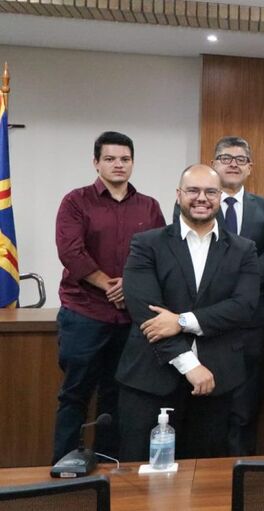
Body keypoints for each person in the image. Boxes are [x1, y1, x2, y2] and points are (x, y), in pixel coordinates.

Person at [116, 164, 259, 461]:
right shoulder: (147, 244)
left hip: (216, 384)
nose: (201, 198)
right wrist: (189, 365)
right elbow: (147, 314)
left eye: (210, 191)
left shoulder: (244, 249)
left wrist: (181, 321)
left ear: (220, 196)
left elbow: (243, 307)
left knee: (204, 481)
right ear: (179, 194)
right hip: (151, 378)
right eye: (193, 190)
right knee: (141, 476)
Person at [52, 131, 165, 463]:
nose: (119, 165)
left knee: (115, 397)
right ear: (96, 162)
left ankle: (105, 467)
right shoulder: (76, 201)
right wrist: (109, 285)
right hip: (84, 314)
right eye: (111, 159)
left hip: (128, 318)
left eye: (125, 159)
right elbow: (71, 252)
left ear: (132, 163)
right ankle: (63, 468)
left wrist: (128, 288)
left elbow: (158, 256)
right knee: (75, 395)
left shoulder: (149, 206)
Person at [172, 136, 264, 456]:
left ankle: (238, 465)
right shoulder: (194, 204)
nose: (233, 163)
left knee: (245, 398)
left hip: (251, 316)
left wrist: (240, 277)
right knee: (202, 399)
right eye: (225, 157)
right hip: (202, 317)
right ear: (213, 164)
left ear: (250, 168)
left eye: (240, 159)